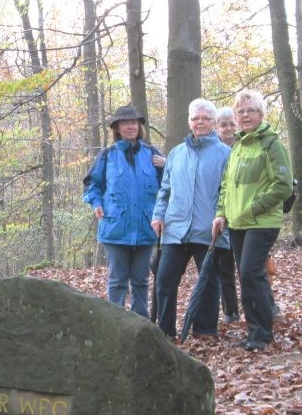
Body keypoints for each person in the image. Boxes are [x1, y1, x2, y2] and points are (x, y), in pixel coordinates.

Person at [212, 90, 293, 351]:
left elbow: (283, 186)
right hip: (237, 223)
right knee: (247, 275)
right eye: (241, 111)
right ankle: (255, 331)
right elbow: (226, 185)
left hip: (262, 221)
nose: (245, 115)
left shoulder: (271, 144)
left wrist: (255, 208)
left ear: (261, 114)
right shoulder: (237, 146)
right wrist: (221, 213)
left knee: (250, 272)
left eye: (251, 110)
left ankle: (261, 334)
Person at [152, 99, 231, 338]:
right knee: (164, 280)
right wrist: (158, 215)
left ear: (213, 123)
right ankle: (165, 332)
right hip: (175, 230)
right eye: (195, 118)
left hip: (209, 230)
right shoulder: (176, 154)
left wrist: (222, 217)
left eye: (205, 119)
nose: (199, 123)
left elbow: (228, 193)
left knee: (208, 283)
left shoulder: (225, 154)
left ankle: (204, 332)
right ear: (189, 121)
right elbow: (165, 190)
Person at [83, 105, 166, 318]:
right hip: (115, 228)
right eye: (125, 123)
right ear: (117, 129)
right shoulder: (107, 156)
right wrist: (96, 203)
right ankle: (116, 322)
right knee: (118, 280)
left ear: (139, 127)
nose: (130, 126)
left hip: (146, 227)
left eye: (134, 123)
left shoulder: (153, 154)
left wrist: (166, 166)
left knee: (141, 279)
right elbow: (92, 184)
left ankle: (140, 323)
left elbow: (169, 185)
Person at [212, 106, 241, 323]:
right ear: (216, 127)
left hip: (244, 214)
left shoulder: (245, 145)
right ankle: (230, 311)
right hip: (219, 214)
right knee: (225, 268)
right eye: (224, 125)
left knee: (251, 266)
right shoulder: (211, 149)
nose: (229, 128)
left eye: (232, 123)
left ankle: (265, 306)